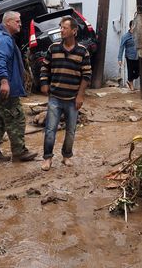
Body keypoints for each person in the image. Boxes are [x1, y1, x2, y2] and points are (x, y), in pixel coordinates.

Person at [0, 11, 37, 163]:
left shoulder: (3, 38)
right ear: (7, 22)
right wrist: (4, 81)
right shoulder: (3, 40)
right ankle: (19, 152)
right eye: (17, 21)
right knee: (17, 118)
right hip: (4, 89)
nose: (20, 24)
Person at [40, 16, 92, 171]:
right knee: (50, 129)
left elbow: (87, 75)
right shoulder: (53, 48)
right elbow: (45, 67)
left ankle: (66, 156)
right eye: (60, 27)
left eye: (64, 28)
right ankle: (47, 158)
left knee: (71, 130)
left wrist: (80, 96)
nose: (61, 30)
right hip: (55, 97)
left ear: (74, 31)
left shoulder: (83, 51)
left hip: (72, 99)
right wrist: (44, 83)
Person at [118, 20, 139, 91]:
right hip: (129, 56)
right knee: (130, 70)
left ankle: (130, 80)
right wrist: (119, 59)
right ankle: (131, 83)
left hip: (138, 56)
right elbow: (121, 47)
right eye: (134, 26)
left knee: (138, 72)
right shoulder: (125, 36)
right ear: (130, 27)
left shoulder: (138, 35)